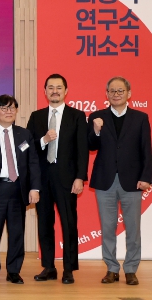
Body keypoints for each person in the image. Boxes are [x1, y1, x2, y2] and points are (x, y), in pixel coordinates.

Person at [88, 76, 151, 286]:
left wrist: (146, 177)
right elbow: (90, 146)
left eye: (120, 91)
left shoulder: (140, 118)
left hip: (132, 181)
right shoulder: (96, 117)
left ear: (128, 94)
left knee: (133, 229)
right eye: (112, 91)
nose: (116, 94)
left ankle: (131, 269)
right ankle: (111, 269)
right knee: (108, 227)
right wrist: (96, 130)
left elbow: (146, 149)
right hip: (105, 180)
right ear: (106, 94)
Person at [26, 74, 88, 284]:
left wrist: (80, 177)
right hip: (42, 179)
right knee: (44, 224)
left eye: (59, 87)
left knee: (69, 224)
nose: (55, 91)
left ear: (66, 91)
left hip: (67, 179)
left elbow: (82, 150)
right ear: (45, 91)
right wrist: (43, 140)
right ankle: (49, 267)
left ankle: (68, 269)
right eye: (51, 87)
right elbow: (27, 148)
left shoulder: (77, 116)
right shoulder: (36, 116)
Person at [0, 94, 41, 285]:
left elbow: (33, 162)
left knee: (17, 233)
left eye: (12, 108)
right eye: (4, 108)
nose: (9, 111)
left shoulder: (24, 134)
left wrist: (35, 188)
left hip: (18, 189)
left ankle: (14, 271)